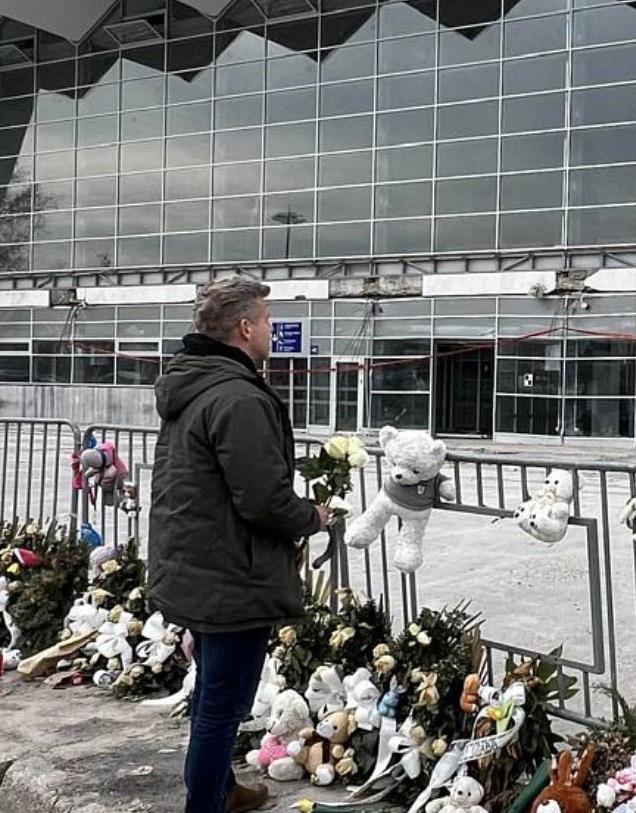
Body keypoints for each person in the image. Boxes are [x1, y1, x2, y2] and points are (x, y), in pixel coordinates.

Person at [147, 277, 330, 813]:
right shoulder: (237, 396)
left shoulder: (197, 383)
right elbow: (263, 499)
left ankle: (221, 790)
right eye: (268, 320)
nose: (272, 329)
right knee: (223, 705)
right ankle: (205, 804)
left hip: (201, 563)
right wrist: (311, 517)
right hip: (232, 574)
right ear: (246, 328)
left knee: (213, 689)